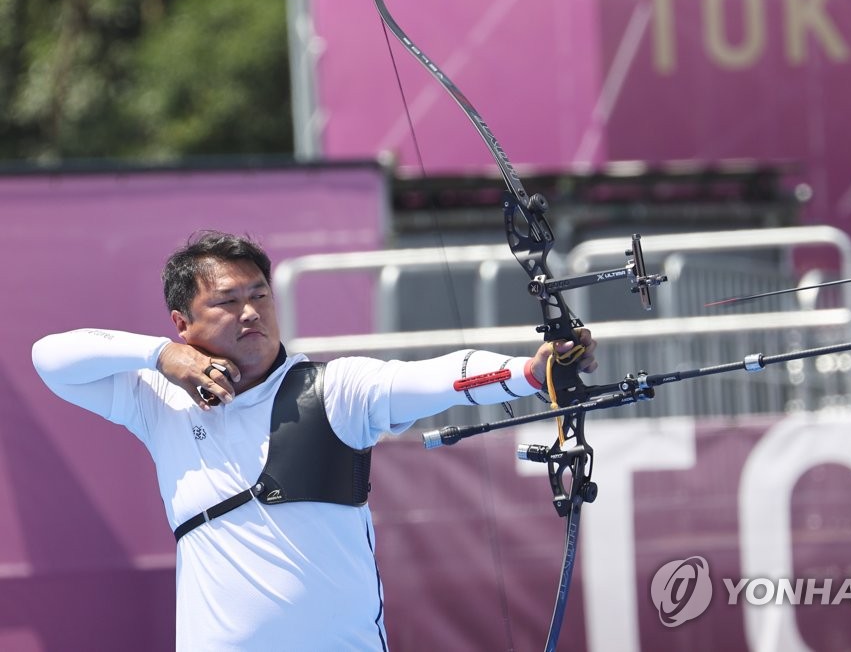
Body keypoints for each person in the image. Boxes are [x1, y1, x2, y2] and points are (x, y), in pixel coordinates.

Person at [31, 230, 597, 651]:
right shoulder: (157, 400)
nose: (250, 311)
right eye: (227, 301)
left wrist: (528, 371)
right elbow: (50, 357)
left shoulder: (335, 389)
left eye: (260, 295)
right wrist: (161, 357)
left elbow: (436, 376)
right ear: (182, 322)